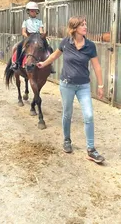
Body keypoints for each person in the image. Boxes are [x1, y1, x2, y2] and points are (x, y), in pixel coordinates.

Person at [37, 15, 105, 164]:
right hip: (66, 85)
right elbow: (54, 56)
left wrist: (100, 85)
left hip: (83, 86)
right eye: (82, 25)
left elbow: (97, 66)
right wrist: (43, 63)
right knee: (67, 113)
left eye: (85, 24)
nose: (85, 27)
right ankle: (67, 140)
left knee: (89, 116)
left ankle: (91, 149)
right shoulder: (66, 43)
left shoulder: (90, 46)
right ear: (74, 28)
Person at [10, 1, 55, 73]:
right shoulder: (26, 21)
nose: (33, 12)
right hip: (29, 36)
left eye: (35, 11)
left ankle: (50, 65)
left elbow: (41, 30)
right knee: (19, 46)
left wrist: (42, 36)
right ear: (28, 12)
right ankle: (17, 63)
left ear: (37, 12)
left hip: (38, 37)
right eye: (32, 11)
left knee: (49, 47)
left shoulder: (39, 21)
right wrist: (27, 37)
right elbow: (23, 32)